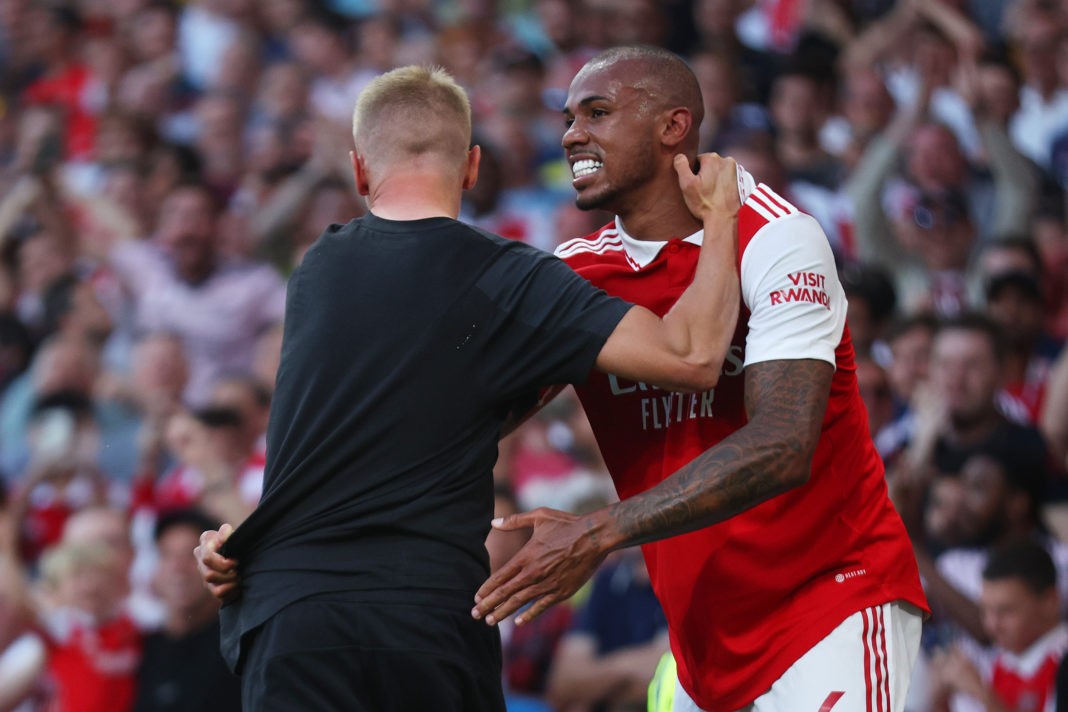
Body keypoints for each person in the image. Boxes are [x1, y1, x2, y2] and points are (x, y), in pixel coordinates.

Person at [196, 64, 744, 712]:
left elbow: (350, 438)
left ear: (359, 170)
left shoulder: (318, 267)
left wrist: (247, 538)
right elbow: (694, 356)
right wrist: (720, 219)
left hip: (289, 613)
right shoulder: (508, 279)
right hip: (419, 622)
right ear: (473, 167)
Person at [472, 46, 929, 712]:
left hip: (832, 600)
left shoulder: (777, 237)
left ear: (673, 126)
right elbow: (480, 415)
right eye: (568, 118)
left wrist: (596, 532)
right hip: (702, 645)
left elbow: (782, 445)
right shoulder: (576, 273)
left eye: (597, 112)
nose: (572, 134)